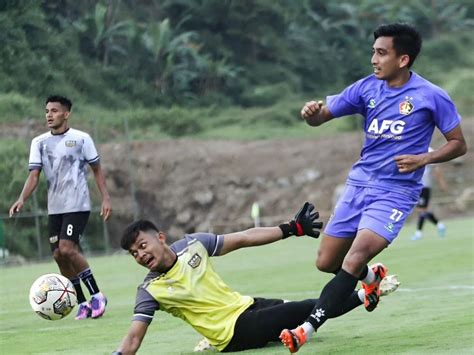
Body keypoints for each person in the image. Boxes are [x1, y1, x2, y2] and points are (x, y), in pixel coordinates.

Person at [280, 23, 467, 353]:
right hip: (357, 187)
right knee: (326, 262)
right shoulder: (366, 88)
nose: (374, 59)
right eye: (373, 52)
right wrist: (311, 113)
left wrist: (426, 158)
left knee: (355, 256)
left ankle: (305, 330)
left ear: (403, 59)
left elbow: (458, 144)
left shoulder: (431, 96)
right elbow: (321, 116)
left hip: (396, 193)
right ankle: (371, 279)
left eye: (382, 53)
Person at [112, 203, 399, 354]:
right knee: (302, 310)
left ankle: (365, 295)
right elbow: (133, 339)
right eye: (133, 253)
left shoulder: (193, 244)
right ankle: (365, 294)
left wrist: (291, 228)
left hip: (248, 306)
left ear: (160, 238)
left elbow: (245, 238)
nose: (139, 254)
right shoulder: (150, 291)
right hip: (234, 333)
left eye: (142, 245)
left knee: (295, 308)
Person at [9, 95, 112, 320]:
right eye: (47, 111)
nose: (49, 114)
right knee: (58, 255)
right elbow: (34, 176)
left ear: (66, 114)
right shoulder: (39, 142)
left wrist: (105, 198)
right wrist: (21, 199)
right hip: (55, 208)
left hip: (77, 204)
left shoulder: (82, 139)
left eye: (54, 110)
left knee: (67, 249)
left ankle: (97, 295)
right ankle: (82, 302)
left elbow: (97, 170)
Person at [412, 147, 448, 240]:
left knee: (422, 210)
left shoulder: (430, 150)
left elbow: (436, 168)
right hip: (415, 185)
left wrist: (441, 183)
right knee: (422, 210)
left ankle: (419, 233)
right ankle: (439, 225)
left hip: (425, 185)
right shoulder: (412, 147)